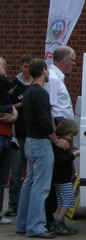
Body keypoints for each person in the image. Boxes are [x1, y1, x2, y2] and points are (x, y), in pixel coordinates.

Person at [15, 58, 69, 238]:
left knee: (29, 184)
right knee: (41, 187)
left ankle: (22, 224)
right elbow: (46, 122)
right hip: (41, 143)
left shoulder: (29, 92)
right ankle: (36, 227)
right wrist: (57, 140)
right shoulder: (41, 93)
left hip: (30, 141)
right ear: (44, 70)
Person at [43, 45, 76, 229]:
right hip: (59, 135)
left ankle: (52, 219)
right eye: (73, 61)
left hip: (63, 133)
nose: (74, 65)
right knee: (57, 178)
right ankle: (50, 220)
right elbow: (51, 110)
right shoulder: (54, 80)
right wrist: (57, 138)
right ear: (65, 61)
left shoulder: (57, 78)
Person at [5, 53, 35, 217]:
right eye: (25, 66)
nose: (27, 70)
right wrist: (21, 104)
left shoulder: (36, 84)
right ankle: (13, 205)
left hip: (32, 134)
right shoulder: (13, 84)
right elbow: (7, 105)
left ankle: (28, 204)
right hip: (18, 134)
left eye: (30, 67)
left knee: (31, 172)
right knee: (16, 172)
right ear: (21, 66)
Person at [50, 119, 79, 235]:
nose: (71, 138)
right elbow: (60, 160)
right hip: (63, 178)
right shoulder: (60, 145)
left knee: (63, 201)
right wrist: (73, 155)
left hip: (60, 178)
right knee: (69, 200)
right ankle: (59, 222)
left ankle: (60, 222)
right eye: (70, 135)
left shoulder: (59, 143)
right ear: (65, 131)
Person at [0, 59, 18, 225]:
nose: (4, 69)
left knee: (2, 178)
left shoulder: (4, 88)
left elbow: (13, 109)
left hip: (6, 134)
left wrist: (13, 116)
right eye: (2, 66)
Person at [0, 56, 20, 150]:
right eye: (3, 68)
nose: (5, 71)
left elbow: (14, 111)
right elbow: (11, 93)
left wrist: (12, 118)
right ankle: (13, 137)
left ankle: (13, 137)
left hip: (5, 134)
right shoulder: (5, 81)